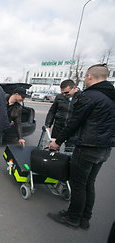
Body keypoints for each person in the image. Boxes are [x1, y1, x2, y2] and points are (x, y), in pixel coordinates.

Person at [48, 64, 115, 230]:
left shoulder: (89, 96)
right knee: (89, 183)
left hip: (87, 147)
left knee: (78, 183)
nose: (84, 79)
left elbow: (73, 123)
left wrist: (57, 142)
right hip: (104, 149)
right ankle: (85, 218)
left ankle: (72, 217)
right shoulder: (111, 97)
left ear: (90, 77)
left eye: (85, 76)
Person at [0, 87, 28, 169]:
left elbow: (18, 122)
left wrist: (20, 137)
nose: (23, 99)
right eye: (22, 97)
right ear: (16, 94)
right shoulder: (2, 97)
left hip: (1, 126)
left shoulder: (18, 107)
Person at [45, 79, 81, 149]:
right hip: (58, 127)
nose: (64, 95)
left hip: (73, 130)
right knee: (53, 149)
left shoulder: (82, 97)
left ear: (74, 88)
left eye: (66, 92)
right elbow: (52, 111)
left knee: (70, 150)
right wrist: (48, 125)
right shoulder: (59, 97)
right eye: (62, 93)